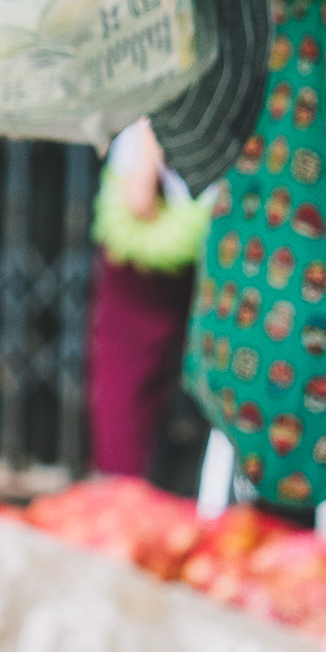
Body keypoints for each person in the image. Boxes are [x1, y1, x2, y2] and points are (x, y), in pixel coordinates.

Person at [87, 118, 213, 478]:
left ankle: (123, 493)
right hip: (207, 204)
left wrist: (145, 166)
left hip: (168, 204)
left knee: (126, 368)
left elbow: (163, 84)